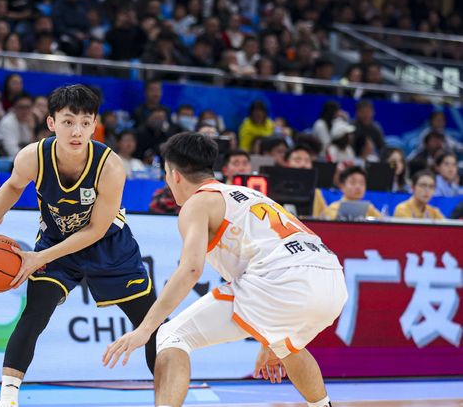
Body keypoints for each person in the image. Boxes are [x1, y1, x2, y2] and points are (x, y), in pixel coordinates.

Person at [103, 132, 347, 407]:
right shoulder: (251, 194)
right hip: (332, 281)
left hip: (282, 281)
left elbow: (191, 270)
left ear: (175, 175)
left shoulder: (197, 204)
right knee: (286, 346)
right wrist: (269, 338)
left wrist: (145, 329)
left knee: (171, 336)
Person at [0, 85, 157, 407]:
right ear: (51, 123)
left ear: (94, 125)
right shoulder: (33, 156)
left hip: (108, 246)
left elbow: (95, 230)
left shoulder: (110, 167)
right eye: (68, 122)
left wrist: (38, 257)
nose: (76, 131)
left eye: (84, 123)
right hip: (56, 240)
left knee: (152, 325)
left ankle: (168, 400)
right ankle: (8, 400)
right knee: (34, 313)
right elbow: (12, 187)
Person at [284, 145, 327, 218]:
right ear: (287, 163)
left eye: (307, 161)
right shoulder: (275, 190)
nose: (303, 165)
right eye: (297, 160)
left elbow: (323, 218)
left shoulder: (317, 193)